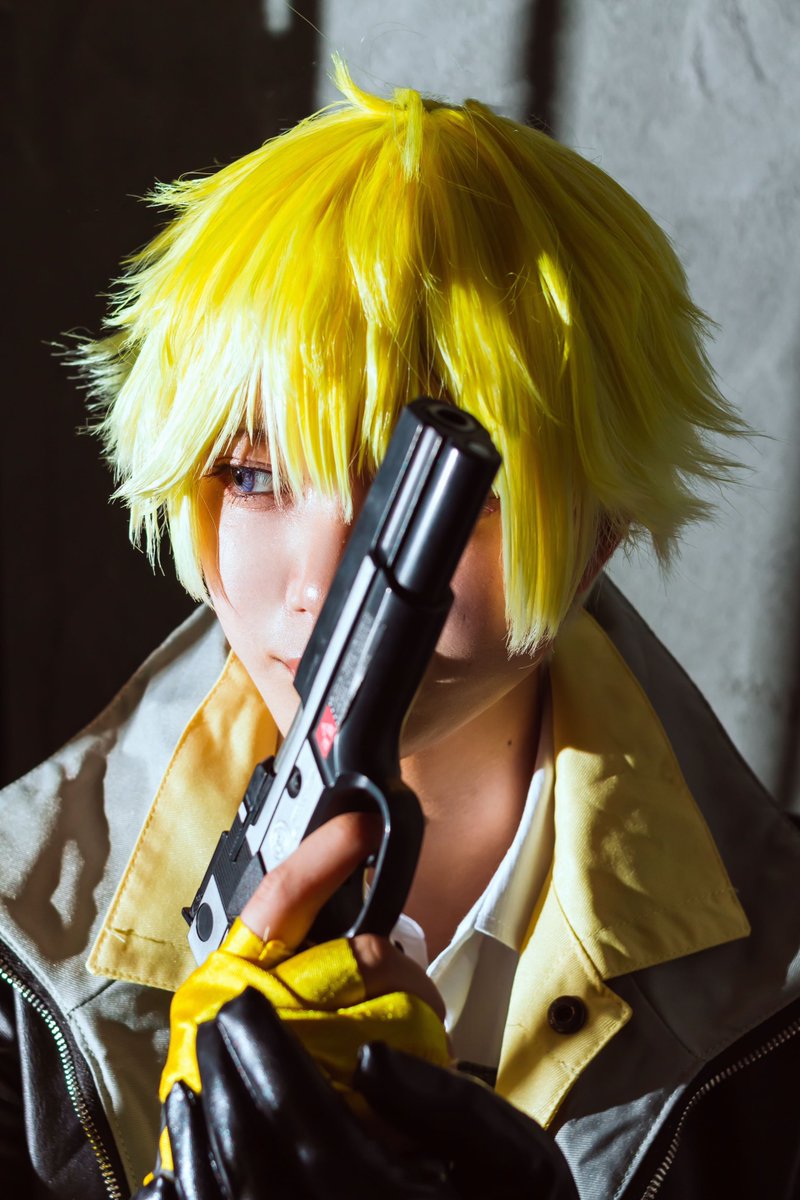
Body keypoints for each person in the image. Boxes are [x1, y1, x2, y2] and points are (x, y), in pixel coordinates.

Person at [2, 57, 799, 1200]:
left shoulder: (774, 985)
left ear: (601, 528)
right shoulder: (16, 965)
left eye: (432, 507)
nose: (320, 587)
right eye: (254, 475)